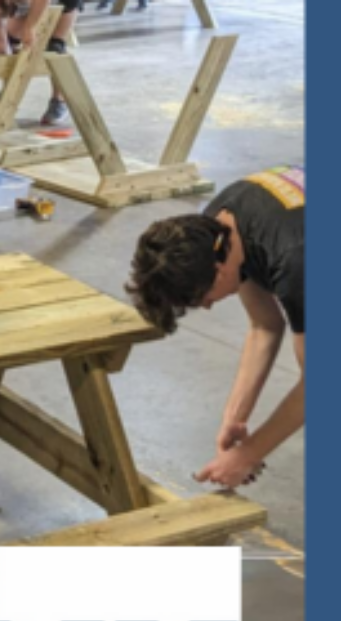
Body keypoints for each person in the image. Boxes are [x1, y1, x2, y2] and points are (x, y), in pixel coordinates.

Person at [126, 166, 305, 490]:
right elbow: (265, 326)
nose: (207, 306)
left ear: (218, 270)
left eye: (202, 298)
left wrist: (248, 454)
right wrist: (234, 417)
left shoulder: (296, 261)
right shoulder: (217, 229)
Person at [0, 0, 80, 125]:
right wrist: (0, 41)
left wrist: (30, 27)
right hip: (25, 3)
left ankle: (59, 100)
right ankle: (8, 93)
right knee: (9, 42)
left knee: (54, 47)